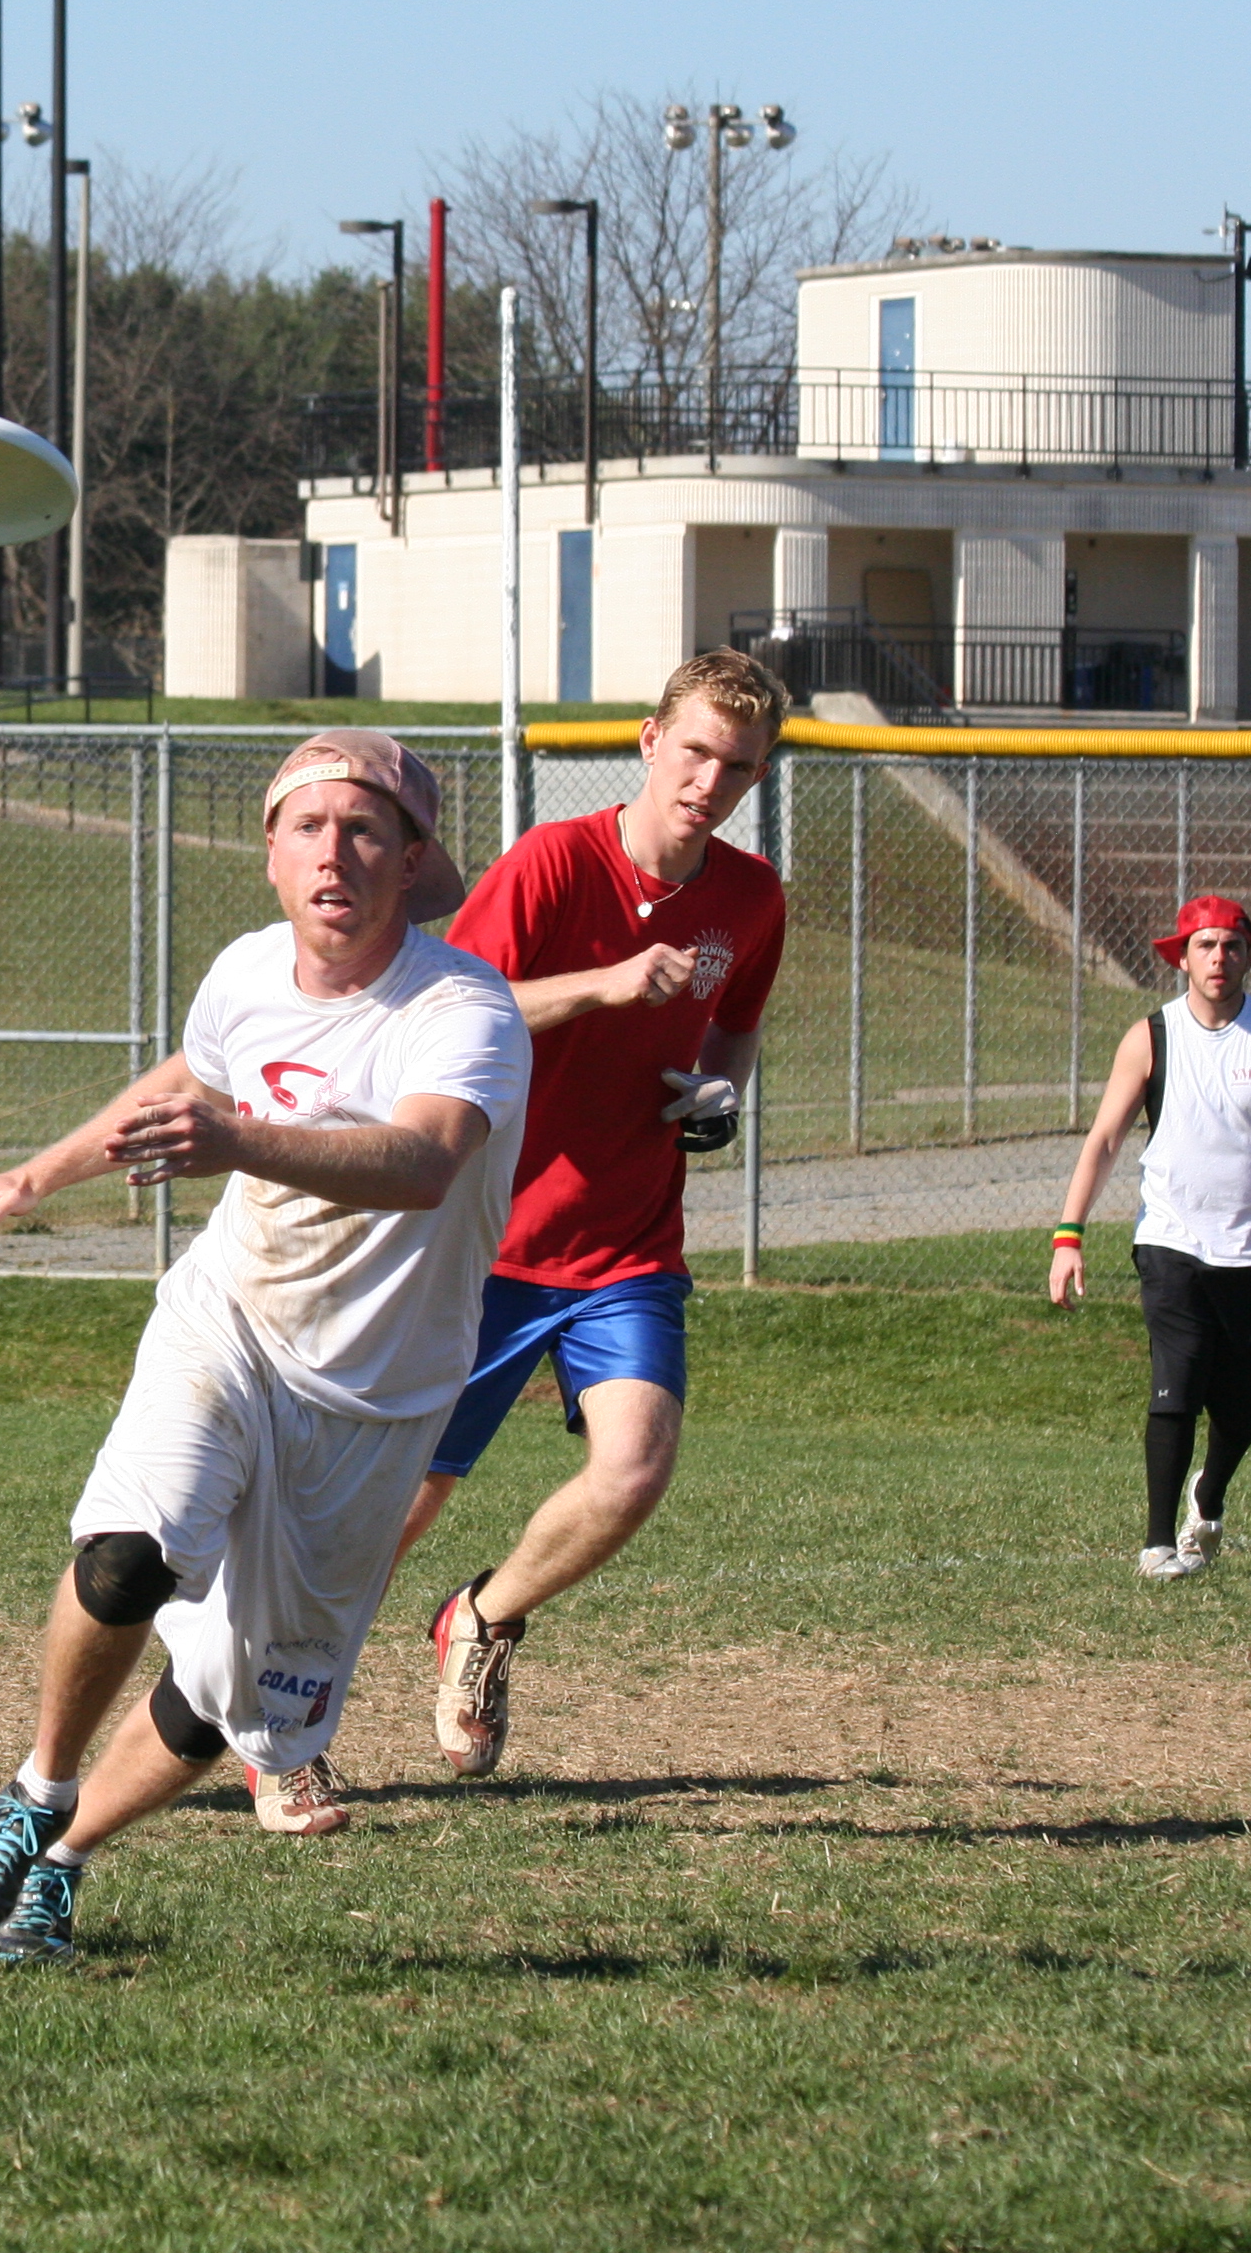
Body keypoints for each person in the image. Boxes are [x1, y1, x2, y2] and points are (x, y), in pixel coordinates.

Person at [0, 728, 530, 1964]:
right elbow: (192, 1080)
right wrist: (39, 1172)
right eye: (308, 827)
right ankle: (34, 1791)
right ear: (270, 854)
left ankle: (65, 1859)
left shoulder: (465, 1008)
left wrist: (239, 1141)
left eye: (366, 830)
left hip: (376, 1395)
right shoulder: (246, 972)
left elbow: (421, 1162)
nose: (334, 853)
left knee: (235, 1699)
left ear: (414, 861)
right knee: (128, 1558)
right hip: (232, 1320)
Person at [388, 647, 788, 1791]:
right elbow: (451, 1012)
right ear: (650, 742)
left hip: (628, 1245)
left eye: (738, 766)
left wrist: (718, 1092)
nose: (710, 781)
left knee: (635, 1469)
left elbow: (736, 1025)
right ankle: (263, 1707)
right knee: (397, 1512)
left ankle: (482, 1618)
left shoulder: (752, 898)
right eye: (695, 751)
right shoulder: (553, 863)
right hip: (491, 1241)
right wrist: (602, 986)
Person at [1049, 894, 1251, 1577]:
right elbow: (1105, 1139)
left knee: (1242, 1406)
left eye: (1232, 946)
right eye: (1205, 946)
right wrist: (1068, 1234)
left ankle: (1209, 1494)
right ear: (1182, 957)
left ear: (1249, 955)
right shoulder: (1152, 1037)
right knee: (1175, 1384)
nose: (1218, 958)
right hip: (1171, 1242)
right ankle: (1156, 1546)